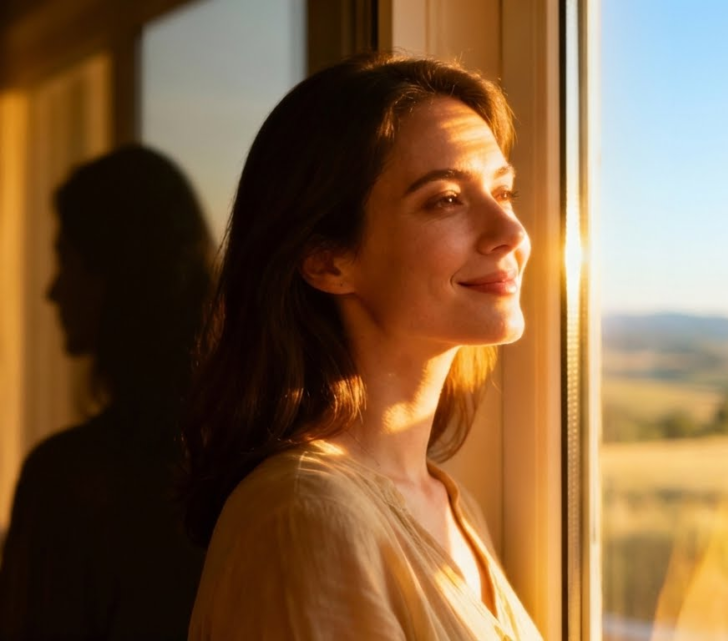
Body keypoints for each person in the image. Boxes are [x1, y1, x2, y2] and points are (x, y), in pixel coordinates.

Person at [182, 54, 543, 640]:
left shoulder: (449, 507)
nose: (512, 233)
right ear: (327, 259)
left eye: (503, 192)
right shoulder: (304, 517)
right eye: (445, 199)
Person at [0, 145, 212, 639]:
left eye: (66, 260)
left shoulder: (67, 480)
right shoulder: (240, 454)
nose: (52, 290)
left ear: (114, 271)